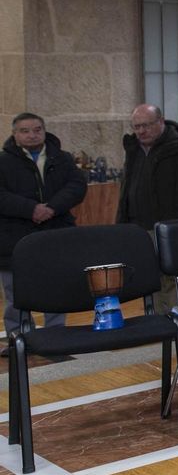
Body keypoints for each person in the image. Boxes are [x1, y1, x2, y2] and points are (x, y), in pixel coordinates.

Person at [1, 113, 86, 337]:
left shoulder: (62, 158)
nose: (32, 135)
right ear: (14, 134)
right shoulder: (3, 162)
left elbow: (77, 186)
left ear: (44, 131)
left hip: (56, 232)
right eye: (25, 131)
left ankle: (56, 333)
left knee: (57, 285)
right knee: (16, 290)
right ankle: (17, 335)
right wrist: (31, 209)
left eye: (37, 129)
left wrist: (52, 208)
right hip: (15, 237)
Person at [117, 103, 178, 312]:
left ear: (161, 122)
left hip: (173, 226)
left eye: (146, 125)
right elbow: (127, 187)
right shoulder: (133, 149)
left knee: (173, 277)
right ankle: (158, 322)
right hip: (140, 225)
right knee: (150, 277)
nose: (141, 131)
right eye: (136, 126)